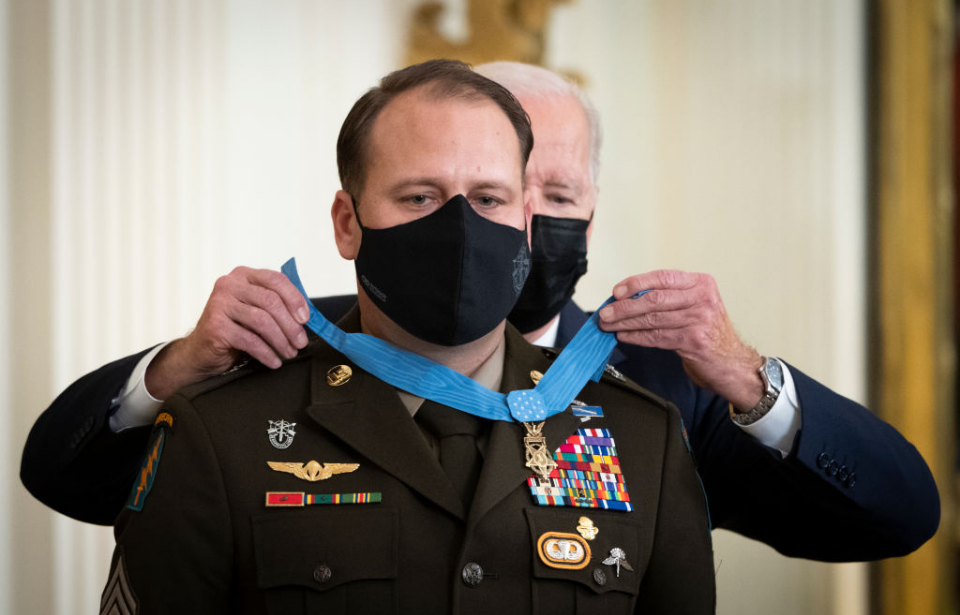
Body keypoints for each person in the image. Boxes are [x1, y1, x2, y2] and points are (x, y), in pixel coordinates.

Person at [22, 62, 939, 561]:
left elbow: (897, 519)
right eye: (465, 192)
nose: (509, 224)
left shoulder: (661, 389)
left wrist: (752, 381)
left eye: (552, 191)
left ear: (591, 210)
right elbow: (66, 477)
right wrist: (173, 368)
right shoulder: (286, 342)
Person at [99, 59, 716, 613]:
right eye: (420, 197)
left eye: (488, 197)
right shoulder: (219, 432)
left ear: (525, 225)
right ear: (348, 224)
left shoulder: (642, 436)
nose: (460, 226)